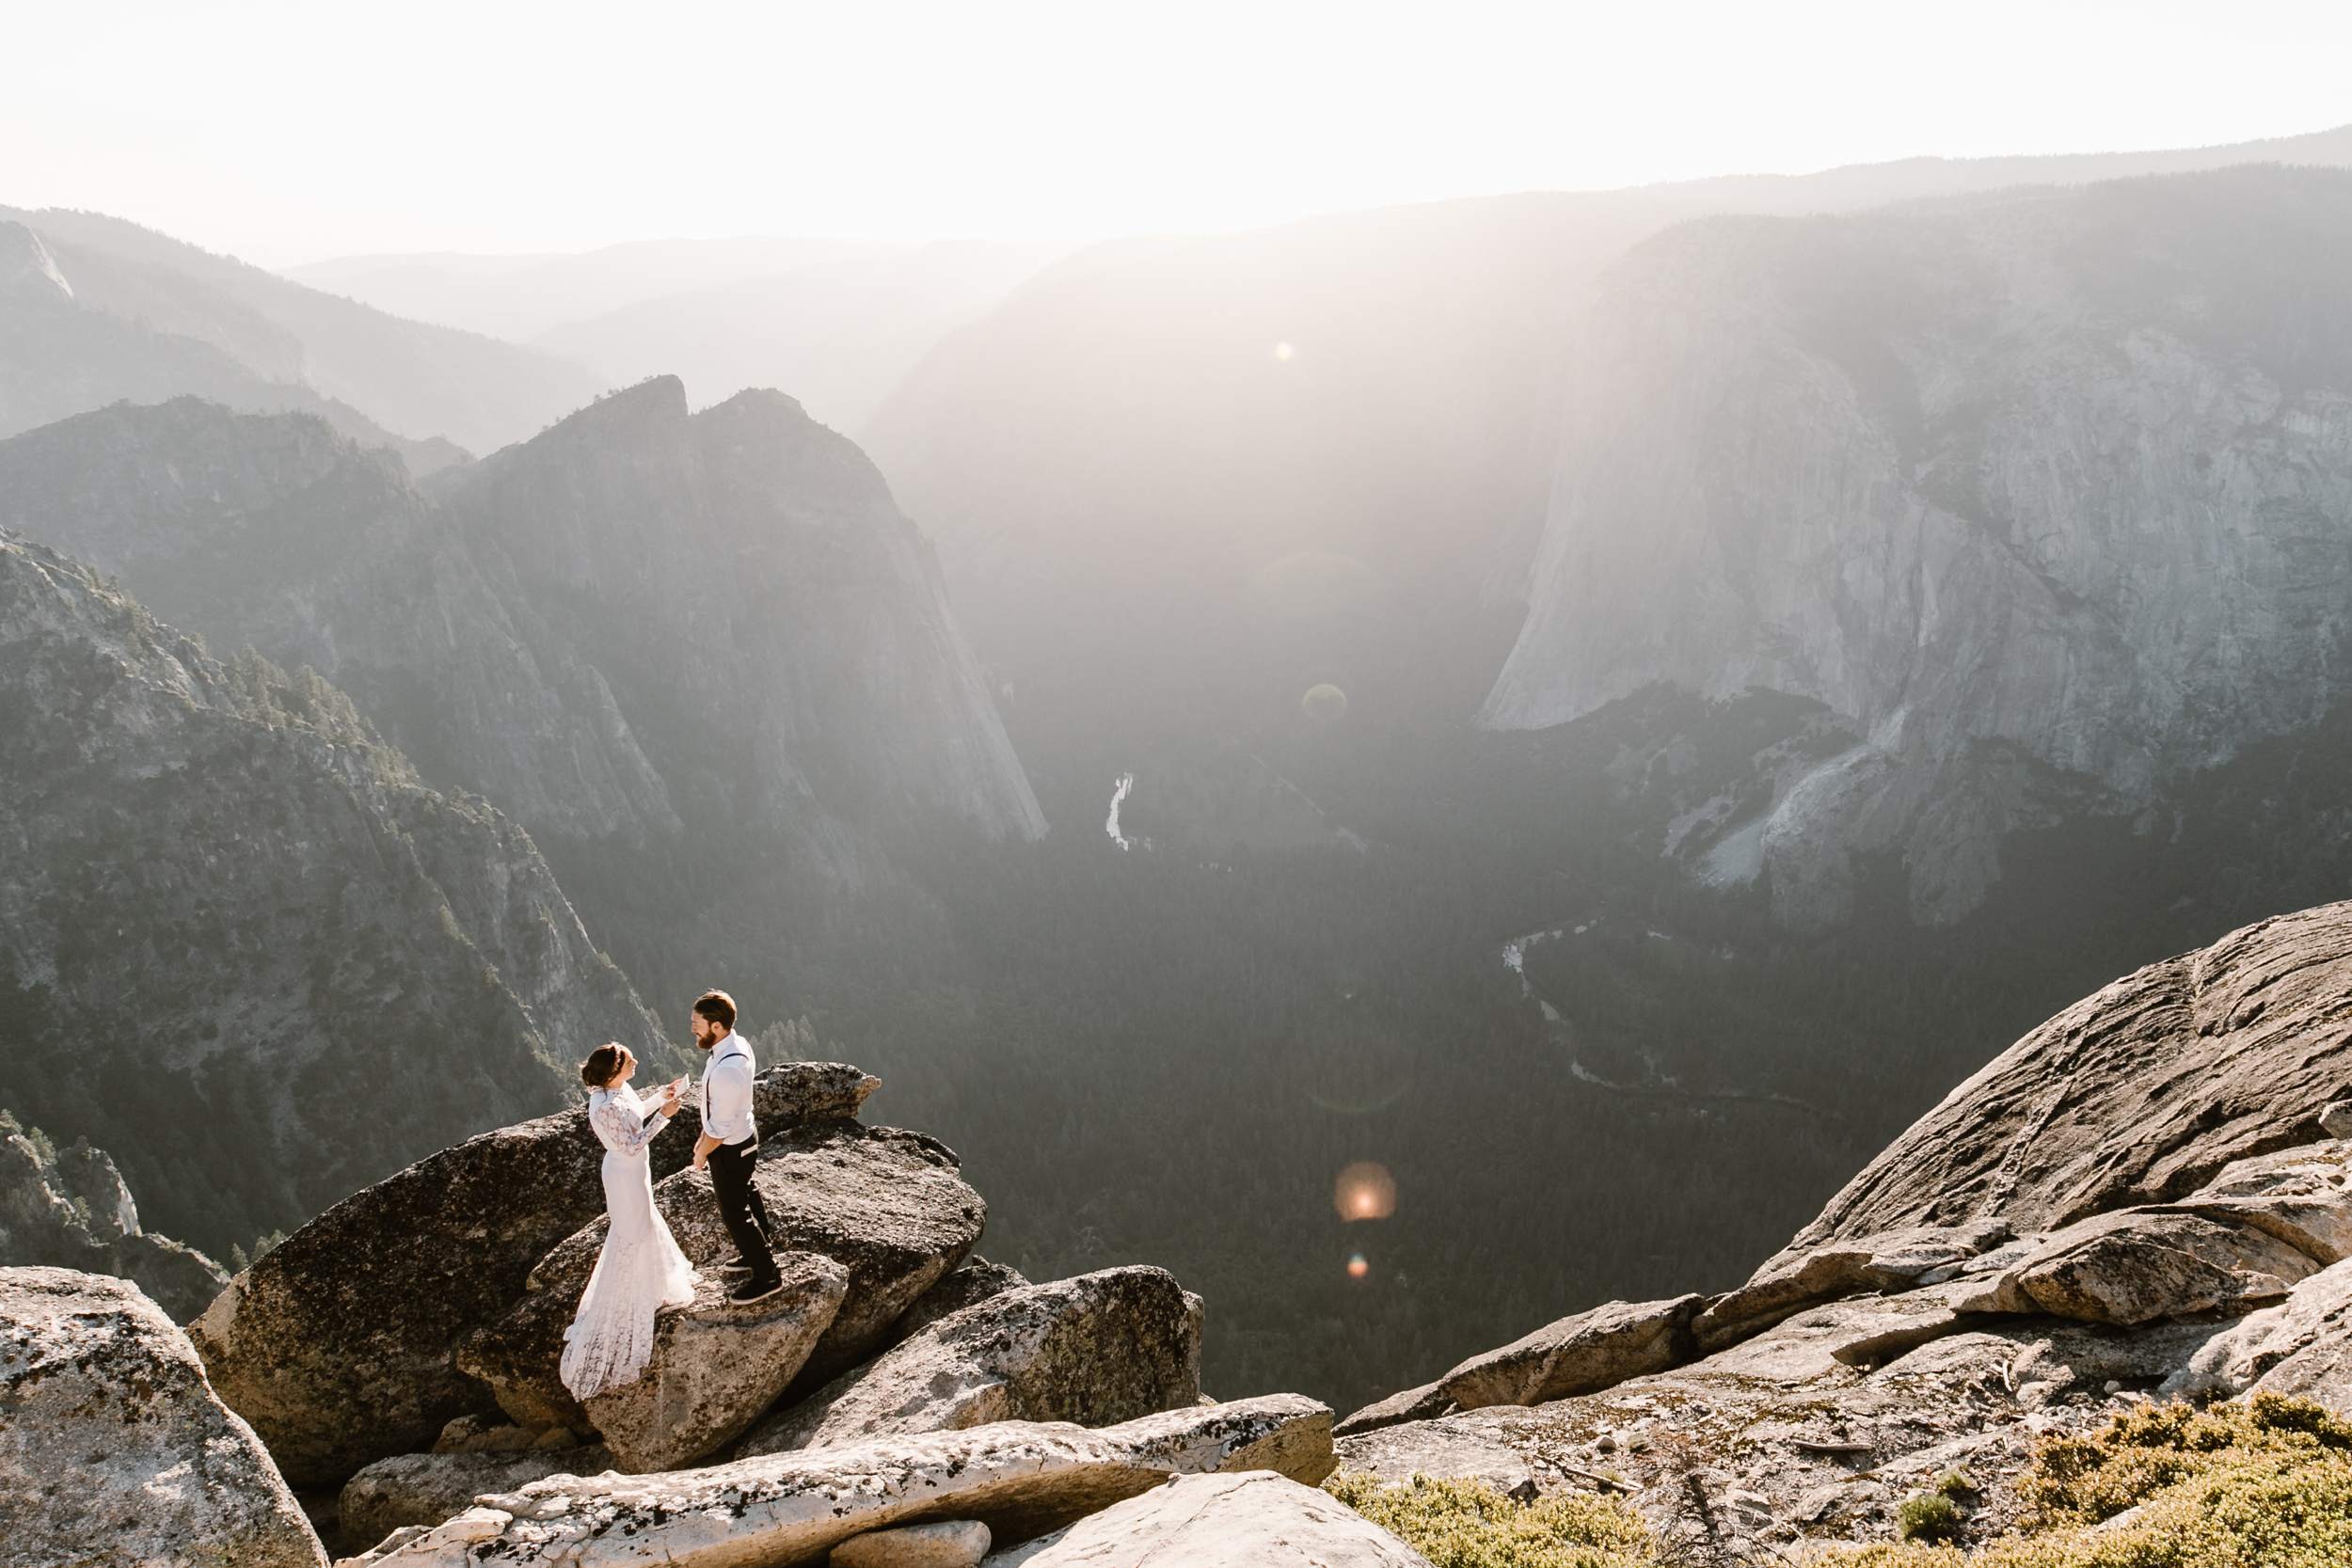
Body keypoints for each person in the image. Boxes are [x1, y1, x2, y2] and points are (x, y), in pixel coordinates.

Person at [559, 1042, 697, 1402]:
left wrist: (660, 1097)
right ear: (614, 1069)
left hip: (636, 1172)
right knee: (633, 1233)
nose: (636, 1061)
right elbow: (632, 1143)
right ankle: (630, 1299)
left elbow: (634, 1112)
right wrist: (665, 1116)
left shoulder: (616, 1093)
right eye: (628, 1059)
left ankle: (648, 1288)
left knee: (644, 1227)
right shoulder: (603, 1107)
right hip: (624, 1174)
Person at [691, 990, 781, 1304]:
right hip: (741, 1140)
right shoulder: (734, 1045)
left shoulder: (728, 1070)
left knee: (734, 1213)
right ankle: (758, 1249)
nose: (693, 1029)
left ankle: (767, 1276)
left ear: (716, 1026)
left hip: (730, 1147)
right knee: (746, 1191)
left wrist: (701, 1152)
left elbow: (720, 1127)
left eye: (697, 1023)